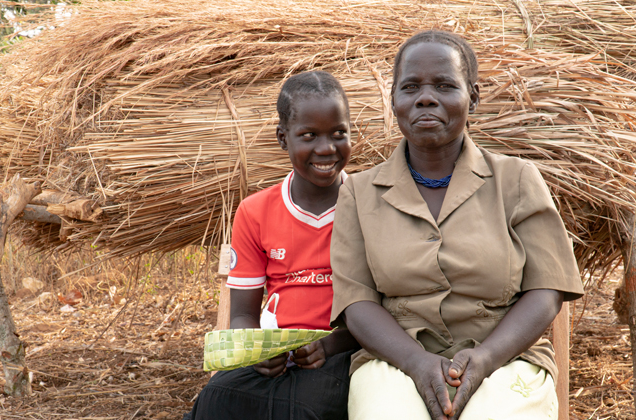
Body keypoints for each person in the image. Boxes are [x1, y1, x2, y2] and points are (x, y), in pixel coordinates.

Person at [329, 30, 584, 420]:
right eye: (410, 86)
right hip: (394, 360)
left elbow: (547, 288)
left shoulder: (517, 180)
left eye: (445, 85)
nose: (426, 97)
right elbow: (357, 302)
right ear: (394, 100)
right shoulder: (359, 193)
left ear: (474, 97)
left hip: (506, 357)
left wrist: (484, 359)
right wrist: (415, 362)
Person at [185, 70, 360, 420]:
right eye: (309, 136)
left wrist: (329, 344)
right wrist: (258, 352)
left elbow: (387, 309)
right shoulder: (256, 211)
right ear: (283, 138)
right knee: (216, 399)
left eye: (338, 134)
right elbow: (243, 314)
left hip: (345, 348)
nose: (326, 148)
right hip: (277, 353)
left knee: (303, 410)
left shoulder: (366, 204)